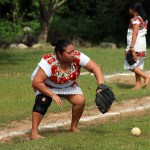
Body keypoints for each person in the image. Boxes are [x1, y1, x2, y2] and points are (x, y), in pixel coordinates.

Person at [30, 39, 104, 140]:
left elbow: (95, 68)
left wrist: (101, 85)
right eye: (70, 52)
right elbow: (37, 82)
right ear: (59, 54)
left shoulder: (77, 56)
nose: (74, 54)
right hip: (45, 84)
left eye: (74, 50)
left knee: (80, 101)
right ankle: (34, 133)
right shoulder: (49, 61)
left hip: (66, 84)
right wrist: (52, 95)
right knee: (43, 100)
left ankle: (73, 127)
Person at [124, 1, 150, 90]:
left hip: (135, 43)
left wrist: (131, 47)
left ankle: (146, 76)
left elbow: (135, 33)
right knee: (137, 65)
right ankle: (138, 85)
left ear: (133, 9)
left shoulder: (136, 20)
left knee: (129, 64)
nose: (129, 10)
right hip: (142, 43)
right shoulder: (144, 19)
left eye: (130, 8)